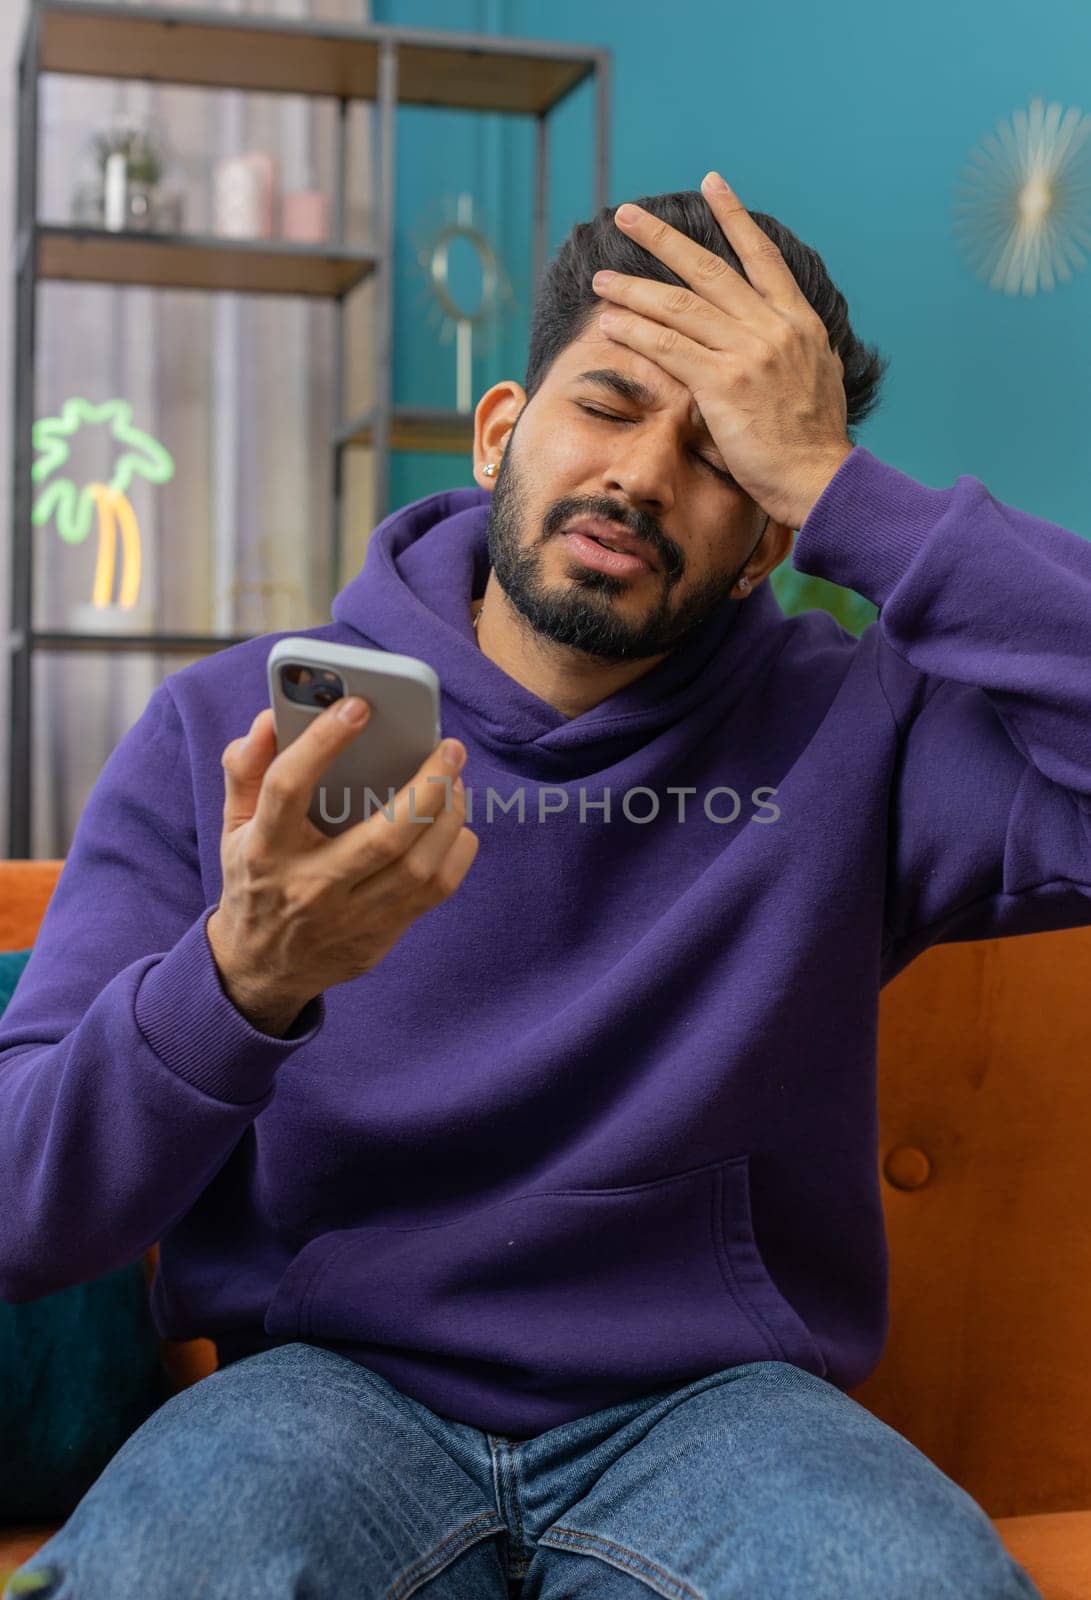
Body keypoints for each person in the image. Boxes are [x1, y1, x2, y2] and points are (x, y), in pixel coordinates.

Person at [3, 173, 1081, 1599]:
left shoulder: (860, 731)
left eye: (724, 454)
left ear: (769, 541)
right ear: (504, 429)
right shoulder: (226, 736)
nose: (643, 474)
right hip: (322, 1397)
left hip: (718, 1415)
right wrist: (242, 979)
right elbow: (25, 1209)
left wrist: (844, 492)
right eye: (613, 404)